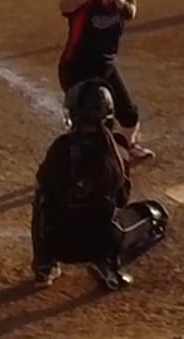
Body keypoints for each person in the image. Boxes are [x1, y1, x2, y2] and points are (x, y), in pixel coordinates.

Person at [31, 79, 172, 291]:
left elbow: (43, 190)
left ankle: (44, 265)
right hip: (99, 242)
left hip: (59, 245)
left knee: (42, 197)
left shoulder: (59, 147)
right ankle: (109, 264)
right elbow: (121, 199)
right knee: (155, 215)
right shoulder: (114, 150)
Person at [58, 0, 155, 165]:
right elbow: (66, 6)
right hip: (76, 67)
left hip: (105, 66)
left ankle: (129, 145)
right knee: (94, 116)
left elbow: (130, 12)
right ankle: (85, 158)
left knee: (129, 115)